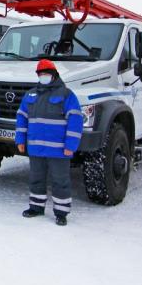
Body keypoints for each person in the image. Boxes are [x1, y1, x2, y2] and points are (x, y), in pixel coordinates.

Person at [15, 59, 83, 226]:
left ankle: (61, 213)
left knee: (60, 181)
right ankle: (36, 207)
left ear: (54, 75)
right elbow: (22, 118)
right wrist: (20, 140)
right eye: (41, 74)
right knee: (36, 178)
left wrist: (70, 146)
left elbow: (75, 121)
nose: (43, 76)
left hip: (58, 150)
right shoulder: (31, 95)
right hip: (36, 148)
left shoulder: (66, 95)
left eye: (46, 74)